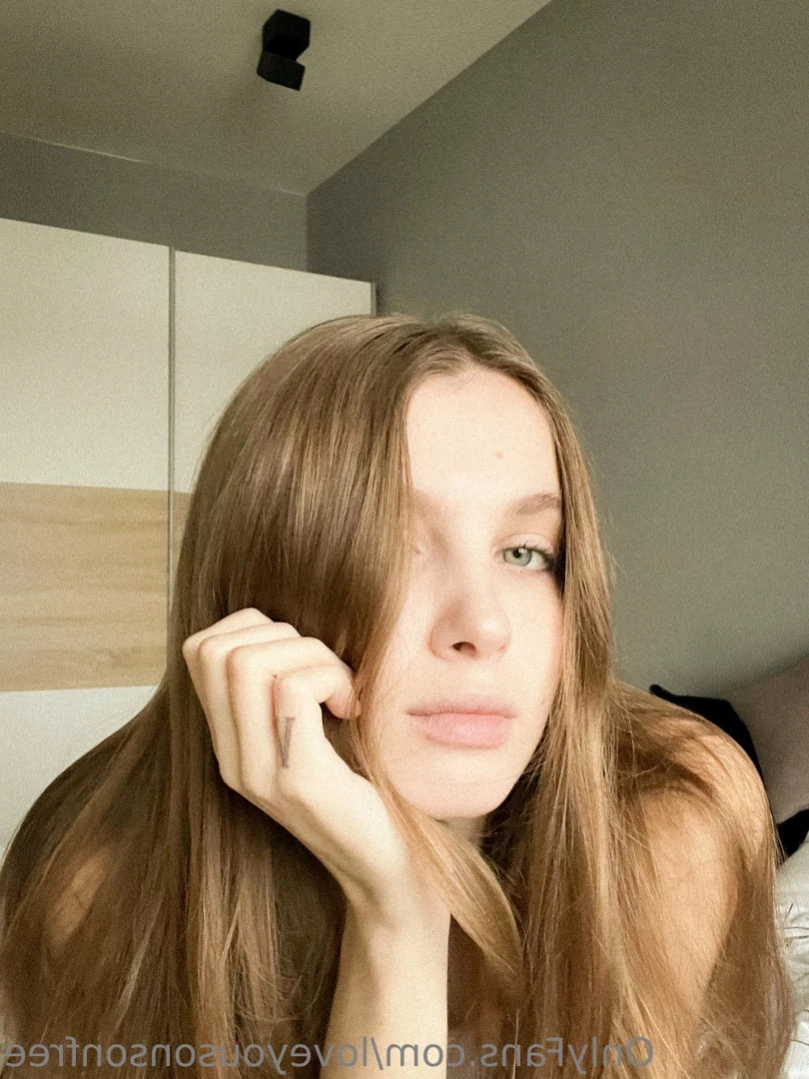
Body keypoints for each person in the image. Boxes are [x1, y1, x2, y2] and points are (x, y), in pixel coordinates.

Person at [0, 312, 794, 1079]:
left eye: (525, 552)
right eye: (393, 546)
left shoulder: (666, 808)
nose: (482, 626)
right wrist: (397, 913)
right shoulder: (102, 880)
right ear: (263, 588)